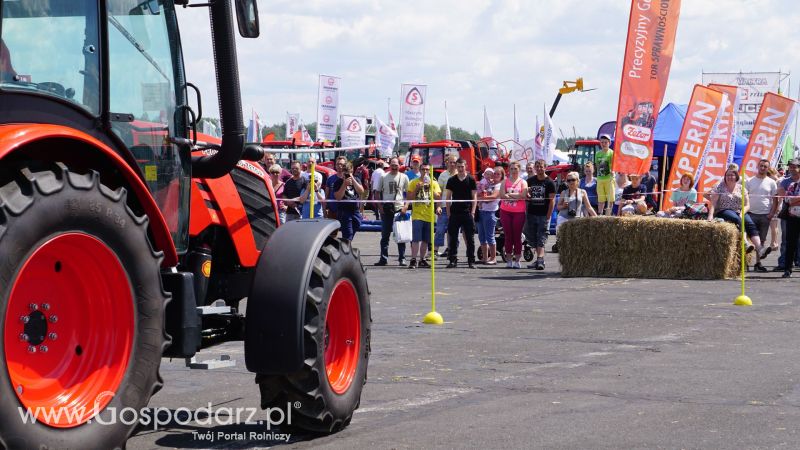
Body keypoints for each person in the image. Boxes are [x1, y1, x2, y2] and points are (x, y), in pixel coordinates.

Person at [707, 164, 769, 267]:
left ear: (736, 177)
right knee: (737, 219)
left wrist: (742, 212)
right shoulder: (720, 187)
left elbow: (747, 205)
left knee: (749, 223)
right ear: (725, 177)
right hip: (724, 210)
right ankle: (745, 243)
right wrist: (710, 216)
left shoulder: (741, 188)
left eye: (732, 175)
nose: (730, 177)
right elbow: (713, 203)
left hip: (739, 210)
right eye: (728, 175)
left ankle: (760, 248)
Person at [401, 162, 441, 268]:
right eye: (423, 169)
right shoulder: (414, 182)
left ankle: (422, 259)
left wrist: (438, 206)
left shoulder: (434, 183)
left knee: (426, 240)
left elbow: (438, 197)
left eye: (427, 170)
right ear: (420, 170)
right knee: (416, 239)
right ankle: (413, 259)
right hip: (417, 215)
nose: (425, 172)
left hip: (429, 215)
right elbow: (409, 198)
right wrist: (417, 189)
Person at [376, 157, 410, 266]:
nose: (394, 167)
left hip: (399, 209)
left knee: (401, 235)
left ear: (399, 165)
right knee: (385, 235)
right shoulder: (383, 176)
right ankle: (383, 258)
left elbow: (409, 194)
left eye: (396, 165)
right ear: (389, 165)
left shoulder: (404, 177)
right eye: (393, 165)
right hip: (386, 208)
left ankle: (402, 258)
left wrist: (406, 206)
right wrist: (380, 207)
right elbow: (377, 192)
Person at [445, 158, 478, 268]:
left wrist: (473, 212)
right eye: (458, 166)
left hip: (467, 212)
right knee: (453, 238)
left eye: (462, 166)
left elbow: (474, 197)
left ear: (466, 166)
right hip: (454, 213)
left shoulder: (471, 179)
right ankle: (452, 260)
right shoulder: (451, 180)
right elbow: (448, 197)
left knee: (470, 238)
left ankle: (471, 261)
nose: (460, 168)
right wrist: (449, 213)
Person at [746, 159, 777, 271]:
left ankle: (758, 264)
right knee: (749, 241)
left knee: (761, 240)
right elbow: (744, 198)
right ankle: (745, 263)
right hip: (750, 214)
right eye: (761, 166)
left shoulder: (771, 182)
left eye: (765, 166)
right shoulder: (749, 181)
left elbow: (775, 200)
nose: (763, 168)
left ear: (768, 169)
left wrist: (772, 213)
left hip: (765, 215)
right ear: (757, 166)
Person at [525, 159, 556, 270]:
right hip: (531, 213)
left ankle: (540, 260)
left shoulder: (550, 182)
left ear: (545, 167)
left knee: (541, 237)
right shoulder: (530, 180)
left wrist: (548, 215)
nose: (539, 168)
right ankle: (538, 258)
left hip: (543, 214)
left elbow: (552, 201)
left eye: (541, 166)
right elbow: (526, 195)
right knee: (531, 237)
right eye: (537, 166)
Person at [499, 162, 528, 268]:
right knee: (508, 236)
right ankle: (509, 260)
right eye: (511, 169)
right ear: (509, 170)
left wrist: (509, 194)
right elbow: (502, 195)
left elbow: (523, 195)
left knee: (517, 236)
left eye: (515, 168)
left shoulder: (523, 182)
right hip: (505, 211)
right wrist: (516, 196)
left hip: (519, 212)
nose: (513, 171)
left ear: (519, 170)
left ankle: (517, 260)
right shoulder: (504, 182)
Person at [334, 161, 364, 243]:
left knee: (356, 226)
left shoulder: (356, 179)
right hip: (344, 211)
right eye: (346, 173)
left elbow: (361, 191)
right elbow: (338, 197)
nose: (347, 175)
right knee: (348, 234)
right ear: (343, 172)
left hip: (355, 210)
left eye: (349, 172)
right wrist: (344, 184)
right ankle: (346, 248)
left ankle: (345, 245)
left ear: (352, 170)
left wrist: (353, 179)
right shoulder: (338, 182)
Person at [434, 155, 458, 257]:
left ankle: (451, 250)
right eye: (450, 162)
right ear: (447, 162)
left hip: (456, 207)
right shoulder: (442, 175)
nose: (452, 164)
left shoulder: (460, 175)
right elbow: (438, 193)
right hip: (443, 206)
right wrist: (438, 206)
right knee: (440, 229)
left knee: (454, 231)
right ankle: (434, 251)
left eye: (454, 162)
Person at [476, 167, 501, 265]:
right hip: (481, 211)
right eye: (495, 173)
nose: (495, 175)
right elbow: (477, 195)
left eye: (497, 174)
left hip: (490, 212)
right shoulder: (487, 183)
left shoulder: (498, 185)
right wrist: (480, 198)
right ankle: (485, 258)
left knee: (490, 236)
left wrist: (482, 198)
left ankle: (493, 258)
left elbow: (493, 197)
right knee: (481, 236)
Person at [778, 177, 800, 278]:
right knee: (790, 244)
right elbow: (788, 200)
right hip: (793, 218)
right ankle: (787, 269)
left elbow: (792, 200)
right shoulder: (792, 185)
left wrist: (795, 199)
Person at [595, 134, 615, 215]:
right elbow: (597, 165)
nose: (603, 144)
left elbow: (614, 165)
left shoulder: (612, 153)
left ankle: (608, 215)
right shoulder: (597, 154)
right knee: (601, 199)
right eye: (602, 142)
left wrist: (612, 171)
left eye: (605, 142)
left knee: (610, 199)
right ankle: (600, 215)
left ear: (609, 143)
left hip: (609, 178)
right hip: (600, 179)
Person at [767, 167, 781, 252]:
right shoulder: (777, 180)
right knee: (775, 225)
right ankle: (775, 242)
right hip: (774, 204)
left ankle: (773, 243)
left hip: (774, 205)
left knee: (773, 225)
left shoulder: (775, 181)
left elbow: (778, 195)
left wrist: (778, 206)